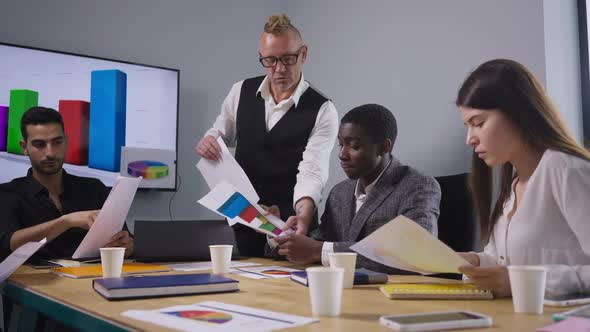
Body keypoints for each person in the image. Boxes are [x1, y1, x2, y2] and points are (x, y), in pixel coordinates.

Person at [194, 14, 338, 257]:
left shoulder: (323, 110)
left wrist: (303, 213)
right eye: (270, 60)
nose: (279, 69)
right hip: (240, 226)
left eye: (288, 59)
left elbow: (312, 171)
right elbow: (221, 132)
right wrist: (209, 140)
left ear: (303, 54)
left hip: (289, 231)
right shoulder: (241, 90)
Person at [455, 59, 590, 297]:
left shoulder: (565, 169)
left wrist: (520, 281)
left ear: (517, 115)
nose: (469, 139)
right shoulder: (514, 182)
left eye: (478, 123)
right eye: (467, 126)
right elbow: (505, 263)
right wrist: (476, 261)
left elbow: (516, 276)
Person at [266, 104, 441, 274]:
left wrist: (318, 251)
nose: (342, 155)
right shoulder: (339, 192)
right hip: (342, 293)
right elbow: (317, 242)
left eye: (354, 146)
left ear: (384, 147)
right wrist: (280, 232)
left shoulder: (418, 186)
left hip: (388, 298)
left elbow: (417, 252)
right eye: (341, 144)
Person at [0, 107, 133, 261]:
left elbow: (125, 239)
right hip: (37, 282)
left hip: (92, 278)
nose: (50, 152)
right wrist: (65, 222)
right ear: (25, 148)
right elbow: (6, 244)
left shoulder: (94, 189)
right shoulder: (8, 194)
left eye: (57, 142)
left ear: (66, 141)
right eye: (39, 144)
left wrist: (128, 245)